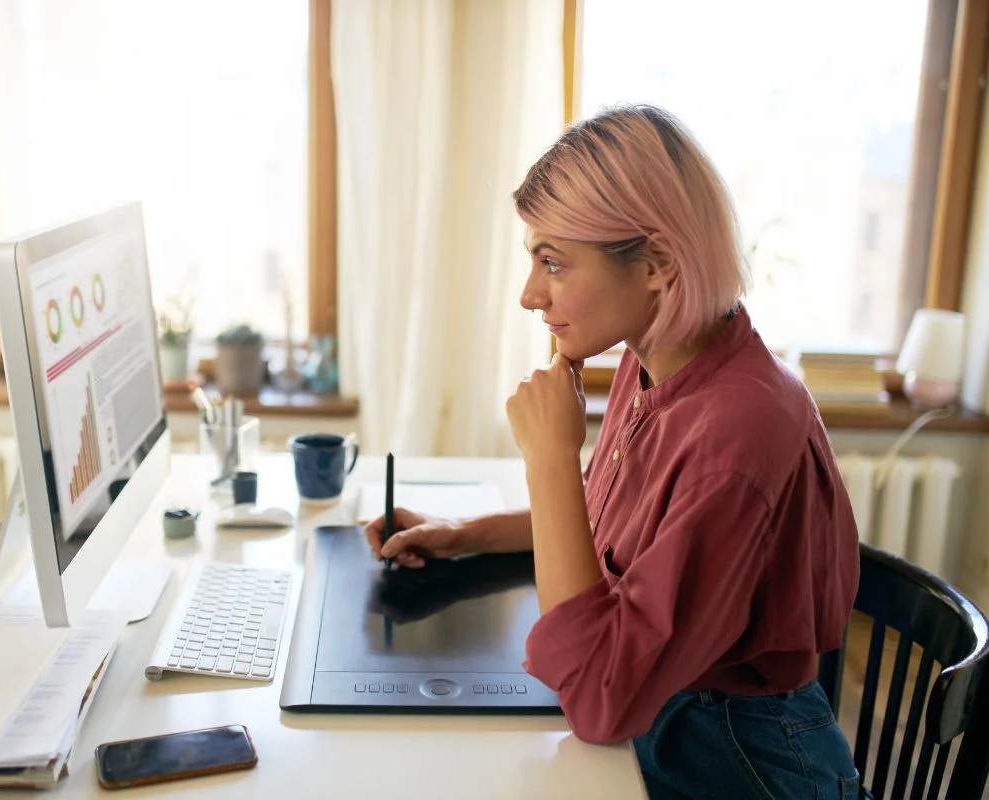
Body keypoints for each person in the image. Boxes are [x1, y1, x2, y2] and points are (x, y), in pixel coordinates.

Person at [365, 104, 862, 800]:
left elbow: (598, 701)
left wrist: (549, 457)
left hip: (738, 751)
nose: (529, 295)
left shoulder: (739, 430)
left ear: (657, 264)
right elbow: (611, 527)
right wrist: (463, 534)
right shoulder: (656, 356)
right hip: (667, 703)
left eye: (553, 262)